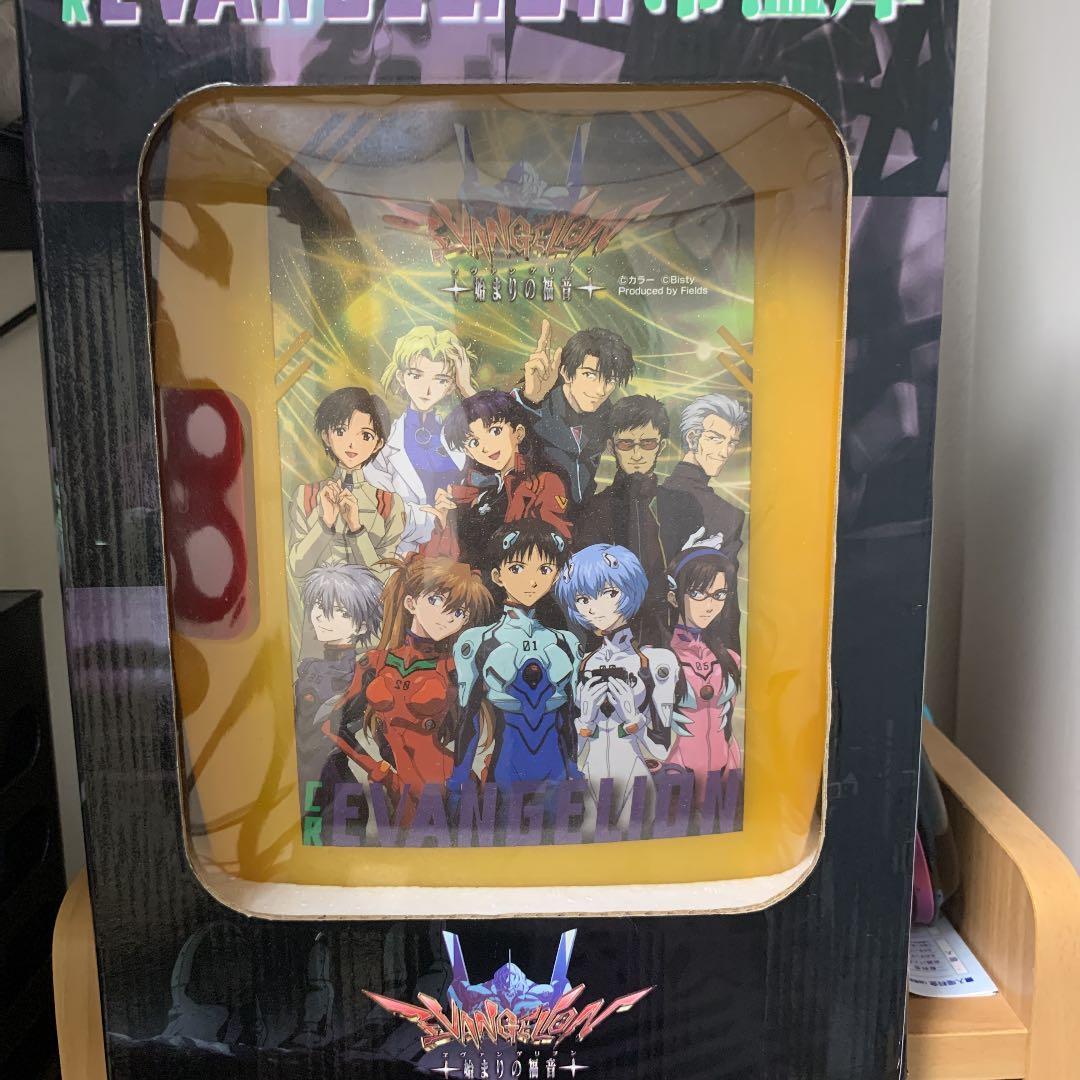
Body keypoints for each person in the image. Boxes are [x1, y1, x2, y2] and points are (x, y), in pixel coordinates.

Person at [316, 555, 496, 829]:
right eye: (436, 600)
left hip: (450, 786)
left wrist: (474, 775)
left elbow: (487, 721)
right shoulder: (375, 663)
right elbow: (332, 725)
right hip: (397, 787)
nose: (448, 616)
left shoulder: (455, 668)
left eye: (459, 612)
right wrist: (378, 769)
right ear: (411, 603)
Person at [554, 544, 682, 825]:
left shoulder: (655, 662)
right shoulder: (583, 664)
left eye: (609, 593)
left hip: (636, 780)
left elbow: (662, 749)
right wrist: (585, 721)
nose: (595, 607)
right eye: (583, 599)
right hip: (589, 780)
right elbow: (573, 752)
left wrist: (632, 717)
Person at [450, 521, 581, 794]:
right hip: (504, 775)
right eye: (517, 568)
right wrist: (459, 780)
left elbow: (568, 718)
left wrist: (574, 771)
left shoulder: (567, 643)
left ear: (555, 576)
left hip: (557, 777)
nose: (532, 581)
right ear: (498, 576)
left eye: (544, 570)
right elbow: (467, 719)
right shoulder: (477, 642)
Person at [575, 394, 696, 644]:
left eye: (647, 443)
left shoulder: (682, 506)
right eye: (626, 444)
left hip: (670, 635)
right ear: (612, 447)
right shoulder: (594, 509)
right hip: (610, 637)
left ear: (661, 446)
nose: (637, 454)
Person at [422, 390, 572, 569]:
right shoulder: (471, 490)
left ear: (518, 433)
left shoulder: (543, 483)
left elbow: (553, 549)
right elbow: (442, 562)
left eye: (495, 431)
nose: (485, 447)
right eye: (474, 442)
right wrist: (445, 522)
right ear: (469, 452)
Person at [365, 326, 476, 553]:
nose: (426, 389)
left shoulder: (463, 435)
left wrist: (467, 389)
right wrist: (436, 519)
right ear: (401, 377)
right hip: (407, 556)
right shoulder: (384, 444)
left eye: (440, 379)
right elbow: (379, 512)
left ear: (451, 386)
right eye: (416, 376)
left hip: (464, 553)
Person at [288, 386, 405, 585]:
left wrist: (356, 528)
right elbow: (297, 567)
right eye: (341, 431)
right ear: (326, 436)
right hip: (317, 602)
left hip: (369, 603)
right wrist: (325, 523)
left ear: (378, 444)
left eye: (365, 436)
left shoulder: (390, 503)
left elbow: (384, 578)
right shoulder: (307, 495)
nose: (351, 444)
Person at [512, 320, 636, 507]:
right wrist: (529, 401)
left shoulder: (609, 418)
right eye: (589, 375)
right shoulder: (537, 407)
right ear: (565, 372)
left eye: (610, 380)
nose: (600, 390)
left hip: (582, 515)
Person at [660, 393, 749, 650]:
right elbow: (727, 612)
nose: (725, 451)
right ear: (691, 438)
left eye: (732, 442)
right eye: (716, 438)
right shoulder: (726, 514)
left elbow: (726, 601)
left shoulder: (729, 514)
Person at [664, 543, 743, 830]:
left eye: (719, 594)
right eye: (698, 593)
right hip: (676, 779)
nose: (709, 605)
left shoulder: (730, 659)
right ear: (674, 596)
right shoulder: (660, 659)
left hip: (725, 775)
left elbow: (728, 725)